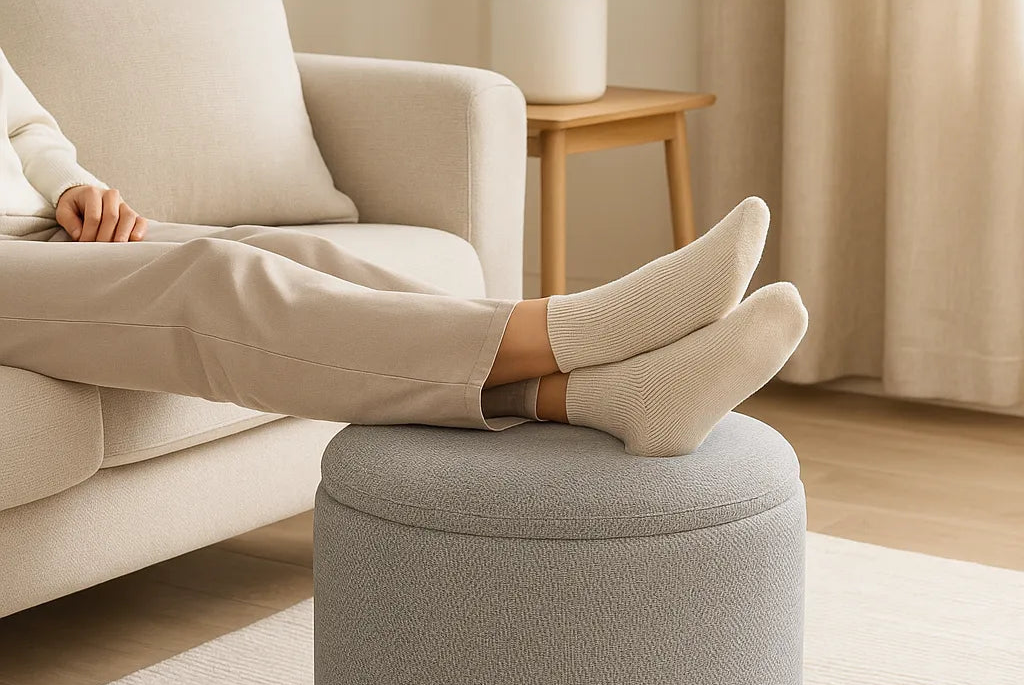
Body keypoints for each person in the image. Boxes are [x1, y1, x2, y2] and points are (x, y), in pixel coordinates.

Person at [0, 48, 807, 457]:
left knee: (279, 256)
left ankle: (606, 396)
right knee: (216, 282)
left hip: (42, 225)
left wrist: (70, 180)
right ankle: (580, 327)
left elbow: (25, 125)